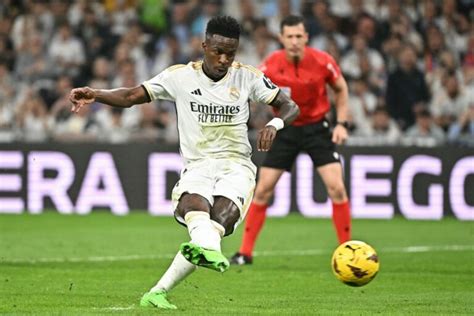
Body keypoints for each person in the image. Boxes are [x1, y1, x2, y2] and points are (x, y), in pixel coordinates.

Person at [69, 16, 299, 309]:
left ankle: (163, 287)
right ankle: (185, 269)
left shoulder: (248, 77)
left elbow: (290, 105)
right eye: (218, 51)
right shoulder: (179, 77)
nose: (224, 59)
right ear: (204, 46)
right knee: (193, 208)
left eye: (231, 53)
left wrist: (275, 124)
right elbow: (130, 96)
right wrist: (96, 94)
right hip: (198, 164)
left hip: (236, 164)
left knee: (221, 219)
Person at [230, 15, 351, 265]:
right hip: (285, 128)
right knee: (262, 189)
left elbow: (341, 88)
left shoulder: (322, 61)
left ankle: (346, 252)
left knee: (337, 188)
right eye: (290, 37)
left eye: (299, 36)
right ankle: (245, 253)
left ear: (306, 37)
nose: (295, 41)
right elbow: (248, 91)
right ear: (282, 38)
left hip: (317, 128)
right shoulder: (271, 65)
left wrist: (341, 123)